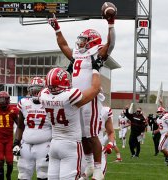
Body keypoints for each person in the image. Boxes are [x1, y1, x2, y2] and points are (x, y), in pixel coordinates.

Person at [48, 9, 116, 179]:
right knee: (82, 135)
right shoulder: (78, 54)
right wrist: (57, 29)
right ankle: (90, 164)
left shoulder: (97, 53)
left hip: (91, 99)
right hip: (77, 99)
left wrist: (111, 24)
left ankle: (98, 168)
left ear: (92, 41)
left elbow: (111, 44)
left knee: (92, 133)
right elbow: (63, 45)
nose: (80, 43)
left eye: (84, 40)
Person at [39, 67, 101, 179]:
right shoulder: (70, 96)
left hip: (54, 145)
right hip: (70, 145)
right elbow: (95, 89)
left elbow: (50, 91)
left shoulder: (43, 95)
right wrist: (96, 70)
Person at [13, 77, 51, 180]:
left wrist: (53, 146)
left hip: (45, 144)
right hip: (26, 145)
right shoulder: (24, 103)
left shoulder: (49, 103)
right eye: (33, 89)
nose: (35, 92)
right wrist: (16, 143)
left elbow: (56, 128)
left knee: (43, 172)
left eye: (38, 90)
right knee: (23, 172)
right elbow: (20, 126)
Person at [98, 106, 119, 176]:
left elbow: (110, 131)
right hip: (83, 146)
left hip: (98, 144)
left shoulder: (105, 111)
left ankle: (119, 157)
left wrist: (110, 144)